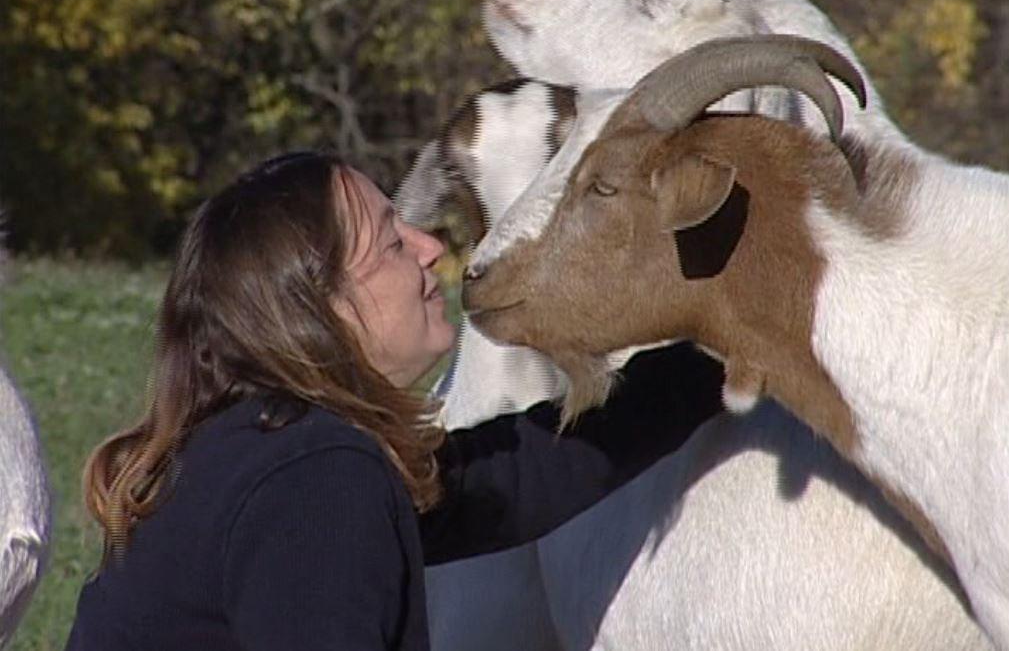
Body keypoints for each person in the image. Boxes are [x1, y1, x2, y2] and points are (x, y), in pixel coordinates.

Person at [64, 151, 723, 650]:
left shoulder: (253, 448)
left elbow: (515, 477)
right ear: (318, 308)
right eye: (390, 242)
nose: (431, 247)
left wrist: (717, 356)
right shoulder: (313, 476)